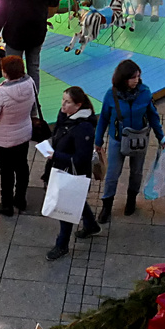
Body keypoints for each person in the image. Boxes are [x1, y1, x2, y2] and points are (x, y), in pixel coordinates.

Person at [95, 59, 165, 223]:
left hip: (139, 139)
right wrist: (98, 141)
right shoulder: (111, 95)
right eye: (133, 77)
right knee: (112, 174)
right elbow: (103, 119)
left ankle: (131, 200)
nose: (137, 80)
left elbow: (153, 116)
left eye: (138, 76)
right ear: (123, 78)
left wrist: (160, 136)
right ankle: (107, 206)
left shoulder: (145, 93)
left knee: (136, 172)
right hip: (117, 140)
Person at [46, 86, 101, 259]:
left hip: (73, 173)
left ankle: (62, 245)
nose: (63, 105)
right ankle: (91, 225)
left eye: (67, 102)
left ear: (78, 105)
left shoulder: (83, 128)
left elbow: (81, 158)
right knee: (78, 200)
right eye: (63, 100)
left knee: (66, 209)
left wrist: (56, 155)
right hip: (62, 169)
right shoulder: (66, 116)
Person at [0, 55, 36, 216]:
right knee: (22, 167)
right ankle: (20, 199)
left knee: (6, 171)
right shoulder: (30, 83)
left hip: (4, 139)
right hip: (24, 133)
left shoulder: (2, 92)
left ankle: (6, 204)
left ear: (5, 72)